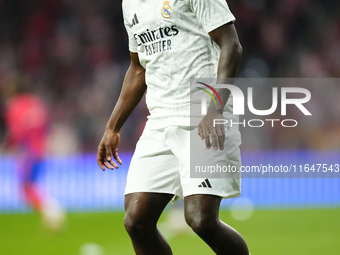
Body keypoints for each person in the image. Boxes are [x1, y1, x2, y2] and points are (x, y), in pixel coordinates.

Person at [97, 0, 249, 254]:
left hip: (203, 113)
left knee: (201, 220)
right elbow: (138, 69)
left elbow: (231, 45)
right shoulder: (130, 4)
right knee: (136, 221)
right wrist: (112, 127)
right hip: (159, 121)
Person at [4, 90, 65, 232]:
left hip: (28, 152)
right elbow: (48, 127)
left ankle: (52, 212)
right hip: (41, 150)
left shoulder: (15, 107)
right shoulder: (37, 104)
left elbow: (16, 133)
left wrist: (10, 146)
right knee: (30, 186)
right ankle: (50, 213)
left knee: (26, 188)